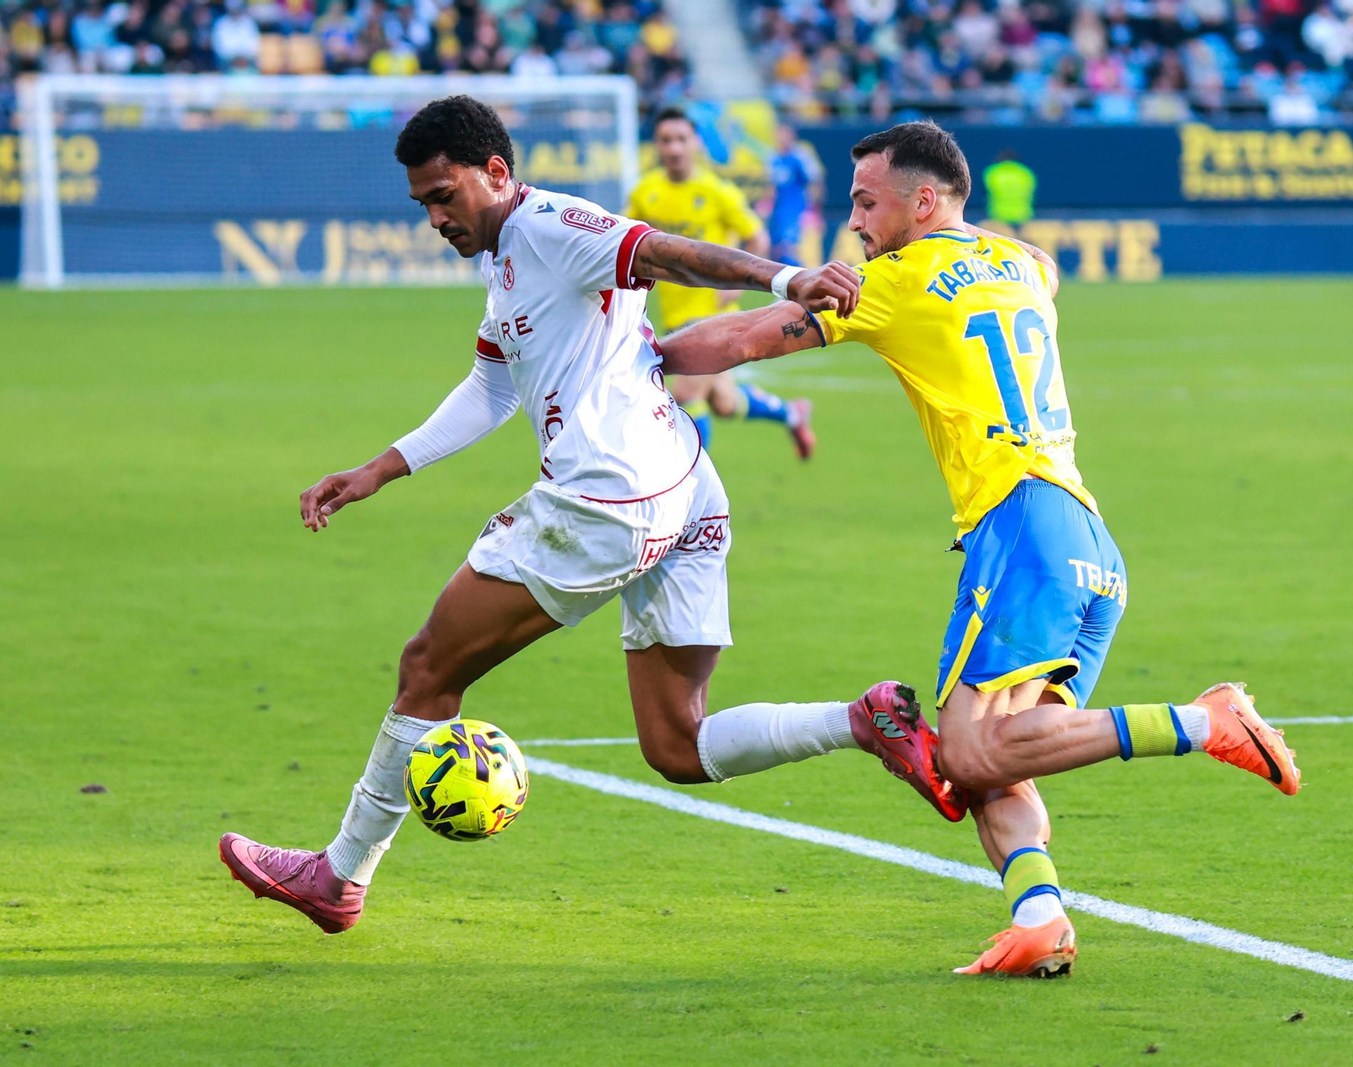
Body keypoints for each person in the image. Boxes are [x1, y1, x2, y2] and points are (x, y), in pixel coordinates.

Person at [218, 97, 961, 935]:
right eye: (422, 203)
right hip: (683, 486)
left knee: (429, 668)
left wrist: (786, 277)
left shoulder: (550, 225)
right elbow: (493, 386)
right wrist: (381, 469)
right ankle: (862, 719)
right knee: (678, 746)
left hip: (605, 501)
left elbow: (663, 253)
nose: (434, 217)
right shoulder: (506, 259)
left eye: (444, 195)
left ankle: (338, 874)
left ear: (496, 172)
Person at [657, 121, 1301, 978]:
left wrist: (637, 356)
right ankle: (1040, 916)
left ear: (923, 202)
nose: (853, 220)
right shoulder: (1023, 265)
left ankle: (1204, 719)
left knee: (965, 751)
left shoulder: (890, 280)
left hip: (1021, 526)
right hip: (1081, 531)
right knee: (994, 760)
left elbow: (736, 341)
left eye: (866, 201)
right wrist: (970, 242)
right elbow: (1044, 260)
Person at [627, 107, 816, 458]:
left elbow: (756, 239)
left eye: (681, 139)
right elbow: (629, 242)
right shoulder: (645, 191)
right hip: (673, 312)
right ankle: (792, 414)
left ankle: (692, 486)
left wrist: (735, 289)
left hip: (713, 314)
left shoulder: (717, 191)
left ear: (695, 143)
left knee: (687, 395)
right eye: (666, 140)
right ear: (657, 145)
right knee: (725, 403)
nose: (674, 148)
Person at [767, 122, 824, 266]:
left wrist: (815, 207)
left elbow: (815, 180)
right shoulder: (773, 159)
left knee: (791, 246)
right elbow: (772, 187)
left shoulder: (800, 157)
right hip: (779, 209)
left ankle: (800, 276)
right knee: (778, 247)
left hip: (797, 208)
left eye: (783, 135)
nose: (780, 138)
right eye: (778, 135)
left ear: (791, 136)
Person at [982, 148, 1035, 225]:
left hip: (997, 215)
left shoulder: (993, 172)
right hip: (1023, 215)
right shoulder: (1025, 173)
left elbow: (985, 192)